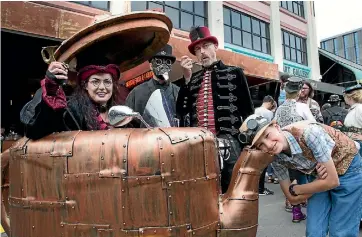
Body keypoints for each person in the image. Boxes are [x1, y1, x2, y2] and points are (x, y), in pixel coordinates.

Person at [239, 116, 362, 237]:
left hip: (349, 168)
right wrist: (319, 182)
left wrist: (296, 189)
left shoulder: (309, 133)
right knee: (314, 232)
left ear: (276, 127)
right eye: (261, 145)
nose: (268, 145)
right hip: (318, 175)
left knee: (341, 232)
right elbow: (292, 199)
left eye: (267, 136)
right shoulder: (275, 158)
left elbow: (332, 181)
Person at [176, 26, 254, 193]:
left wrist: (247, 145)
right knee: (203, 192)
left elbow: (248, 112)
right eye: (197, 49)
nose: (202, 52)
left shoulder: (235, 72)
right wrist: (187, 78)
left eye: (206, 46)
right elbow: (181, 111)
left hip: (230, 145)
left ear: (215, 47)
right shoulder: (193, 78)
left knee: (232, 192)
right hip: (199, 145)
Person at [20, 61, 123, 140]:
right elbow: (36, 131)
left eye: (107, 82)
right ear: (85, 85)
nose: (102, 87)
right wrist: (51, 90)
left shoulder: (121, 112)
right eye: (95, 81)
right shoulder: (71, 112)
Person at [274, 77, 315, 221]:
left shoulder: (279, 108)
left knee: (292, 178)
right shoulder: (302, 107)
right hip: (301, 150)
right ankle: (311, 209)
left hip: (284, 150)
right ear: (298, 92)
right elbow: (313, 125)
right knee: (304, 178)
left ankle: (296, 211)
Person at [125, 44, 180, 126]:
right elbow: (127, 124)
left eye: (168, 62)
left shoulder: (178, 92)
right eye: (158, 61)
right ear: (151, 66)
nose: (163, 66)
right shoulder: (136, 93)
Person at [255, 96, 276, 195]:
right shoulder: (269, 113)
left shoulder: (256, 110)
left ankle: (256, 187)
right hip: (265, 140)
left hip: (255, 139)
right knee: (263, 166)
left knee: (256, 165)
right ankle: (261, 189)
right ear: (270, 103)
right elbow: (270, 127)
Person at [343, 84, 362, 156]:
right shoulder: (352, 109)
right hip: (352, 142)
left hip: (359, 143)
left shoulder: (359, 108)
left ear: (349, 97)